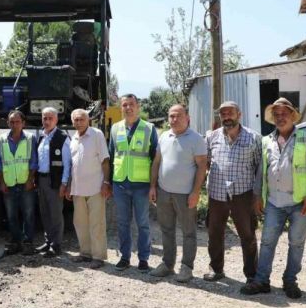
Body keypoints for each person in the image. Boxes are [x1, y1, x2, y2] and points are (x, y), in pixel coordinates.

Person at [240, 98, 306, 298]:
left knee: (296, 242)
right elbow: (260, 172)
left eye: (284, 113)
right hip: (274, 202)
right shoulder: (266, 140)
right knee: (267, 242)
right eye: (276, 114)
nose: (280, 117)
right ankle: (261, 281)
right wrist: (257, 195)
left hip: (300, 202)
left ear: (293, 115)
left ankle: (290, 281)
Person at [203, 101, 261, 283]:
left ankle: (252, 275)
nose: (227, 117)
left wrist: (258, 195)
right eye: (223, 114)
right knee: (214, 233)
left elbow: (260, 168)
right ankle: (216, 269)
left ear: (239, 114)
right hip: (217, 193)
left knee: (247, 234)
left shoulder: (253, 138)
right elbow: (206, 163)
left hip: (242, 194)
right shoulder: (212, 137)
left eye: (230, 113)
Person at [149, 104, 207, 282]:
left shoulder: (196, 139)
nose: (174, 119)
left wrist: (196, 192)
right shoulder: (164, 136)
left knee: (188, 232)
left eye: (178, 116)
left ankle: (187, 268)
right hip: (164, 192)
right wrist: (153, 186)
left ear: (187, 118)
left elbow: (202, 166)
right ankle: (167, 264)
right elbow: (157, 162)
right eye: (171, 116)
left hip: (185, 195)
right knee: (166, 230)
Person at [109, 94, 158, 272]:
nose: (128, 108)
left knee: (143, 223)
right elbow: (112, 155)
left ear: (138, 106)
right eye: (124, 105)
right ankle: (125, 257)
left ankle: (143, 259)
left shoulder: (149, 129)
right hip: (120, 183)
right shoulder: (115, 129)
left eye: (131, 104)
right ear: (120, 108)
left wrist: (153, 185)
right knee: (122, 223)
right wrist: (108, 182)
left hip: (141, 185)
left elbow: (155, 159)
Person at [62, 108, 110, 269]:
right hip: (78, 189)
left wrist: (106, 183)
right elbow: (72, 166)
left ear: (88, 120)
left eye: (81, 119)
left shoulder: (97, 135)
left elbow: (105, 160)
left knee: (97, 224)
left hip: (96, 187)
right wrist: (69, 185)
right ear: (72, 122)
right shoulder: (73, 138)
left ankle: (98, 256)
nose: (78, 122)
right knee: (80, 223)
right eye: (75, 120)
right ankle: (85, 253)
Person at [0, 110, 38, 255]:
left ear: (23, 123)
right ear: (7, 123)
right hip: (8, 183)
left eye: (17, 121)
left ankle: (27, 242)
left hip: (26, 183)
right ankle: (15, 241)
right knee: (11, 215)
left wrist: (30, 180)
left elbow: (33, 161)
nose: (14, 124)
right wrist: (1, 182)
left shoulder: (31, 138)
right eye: (11, 122)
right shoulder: (1, 140)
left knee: (29, 214)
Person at [35, 107, 71, 257]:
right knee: (44, 213)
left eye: (50, 118)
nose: (47, 121)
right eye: (45, 118)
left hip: (55, 182)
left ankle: (56, 245)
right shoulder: (41, 137)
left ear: (56, 120)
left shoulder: (63, 137)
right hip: (42, 180)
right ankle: (48, 241)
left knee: (55, 214)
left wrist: (64, 184)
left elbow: (67, 163)